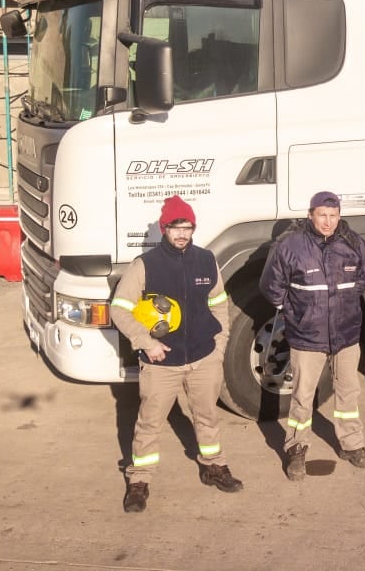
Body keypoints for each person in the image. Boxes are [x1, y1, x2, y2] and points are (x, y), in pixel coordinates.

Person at [110, 195, 243, 512]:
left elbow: (219, 304)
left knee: (207, 416)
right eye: (175, 227)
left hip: (203, 358)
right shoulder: (145, 266)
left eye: (187, 226)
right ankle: (139, 480)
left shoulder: (206, 260)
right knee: (149, 423)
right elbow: (119, 309)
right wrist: (146, 342)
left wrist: (219, 344)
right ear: (164, 228)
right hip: (161, 364)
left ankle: (213, 466)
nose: (182, 233)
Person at [260, 190, 365, 481]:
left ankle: (352, 444)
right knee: (302, 396)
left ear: (339, 216)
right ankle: (296, 448)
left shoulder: (353, 243)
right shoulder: (291, 246)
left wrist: (342, 307)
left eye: (333, 215)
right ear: (310, 215)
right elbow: (271, 285)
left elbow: (362, 278)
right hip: (307, 337)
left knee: (349, 392)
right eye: (322, 215)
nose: (328, 221)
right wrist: (293, 310)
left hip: (346, 334)